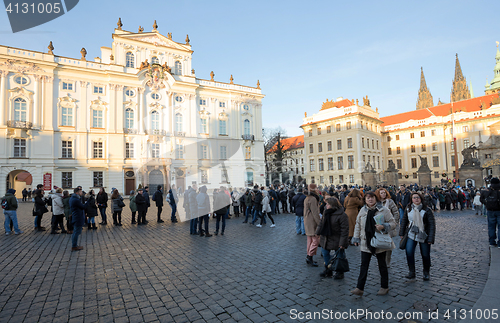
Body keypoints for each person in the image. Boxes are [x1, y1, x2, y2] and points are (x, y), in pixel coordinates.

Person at [351, 191, 396, 296]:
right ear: (365, 200)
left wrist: (384, 226)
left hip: (379, 241)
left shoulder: (384, 210)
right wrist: (356, 238)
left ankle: (384, 286)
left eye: (372, 198)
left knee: (382, 265)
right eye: (367, 198)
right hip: (366, 241)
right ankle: (359, 288)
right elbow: (358, 224)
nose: (370, 200)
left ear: (376, 198)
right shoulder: (362, 210)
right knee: (364, 265)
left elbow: (393, 223)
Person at [400, 192, 436, 281]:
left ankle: (426, 272)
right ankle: (412, 272)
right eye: (414, 198)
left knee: (425, 255)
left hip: (423, 235)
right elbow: (404, 221)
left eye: (418, 197)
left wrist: (431, 238)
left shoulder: (427, 210)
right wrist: (401, 233)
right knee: (409, 252)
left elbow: (432, 225)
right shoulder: (408, 209)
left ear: (421, 199)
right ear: (411, 199)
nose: (416, 199)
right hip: (411, 234)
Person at [316, 197, 349, 279]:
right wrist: (317, 232)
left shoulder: (342, 215)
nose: (326, 205)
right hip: (326, 237)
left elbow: (344, 230)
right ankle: (328, 270)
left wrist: (342, 243)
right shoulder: (326, 212)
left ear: (332, 205)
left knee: (340, 255)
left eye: (327, 204)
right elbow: (321, 223)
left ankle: (340, 272)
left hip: (337, 238)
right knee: (325, 253)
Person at [375, 188, 399, 267]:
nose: (383, 194)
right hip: (378, 226)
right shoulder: (376, 202)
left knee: (388, 244)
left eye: (384, 193)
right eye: (381, 193)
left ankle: (387, 261)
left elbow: (396, 212)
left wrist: (394, 222)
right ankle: (381, 260)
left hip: (389, 226)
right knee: (379, 243)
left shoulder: (390, 201)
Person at [304, 183, 321, 267]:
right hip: (312, 221)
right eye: (316, 188)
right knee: (315, 240)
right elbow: (315, 212)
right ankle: (310, 256)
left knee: (310, 240)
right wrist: (319, 223)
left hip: (307, 220)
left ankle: (308, 256)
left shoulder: (307, 197)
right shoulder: (313, 198)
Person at [480, 177, 500, 247]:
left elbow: (481, 199)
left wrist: (486, 204)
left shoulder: (486, 190)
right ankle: (499, 243)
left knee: (491, 227)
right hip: (499, 210)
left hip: (490, 210)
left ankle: (492, 242)